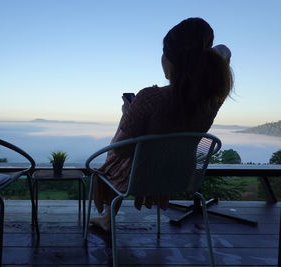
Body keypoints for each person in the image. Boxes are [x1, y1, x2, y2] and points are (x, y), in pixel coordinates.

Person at [90, 17, 233, 232]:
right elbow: (224, 51)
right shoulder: (213, 100)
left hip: (140, 174)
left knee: (111, 163)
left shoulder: (149, 98)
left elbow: (121, 150)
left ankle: (107, 219)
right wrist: (205, 53)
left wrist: (127, 117)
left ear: (171, 59)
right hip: (180, 174)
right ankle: (107, 219)